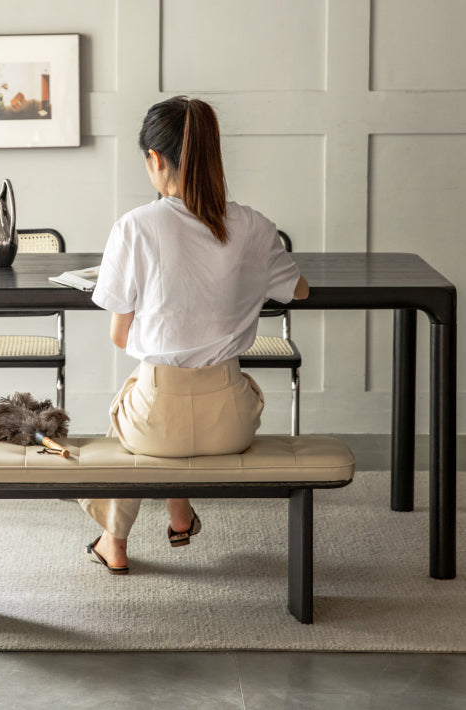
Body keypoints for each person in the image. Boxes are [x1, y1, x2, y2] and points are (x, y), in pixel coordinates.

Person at [79, 96, 310, 574]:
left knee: (135, 405)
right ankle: (179, 513)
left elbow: (120, 337)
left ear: (155, 159)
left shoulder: (135, 227)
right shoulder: (254, 225)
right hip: (230, 423)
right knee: (168, 408)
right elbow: (299, 290)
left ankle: (113, 542)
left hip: (157, 422)